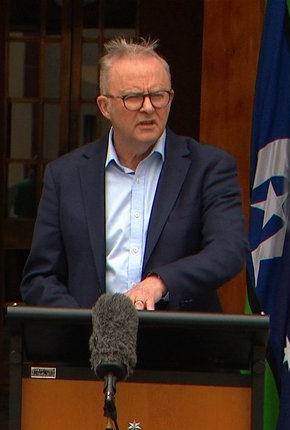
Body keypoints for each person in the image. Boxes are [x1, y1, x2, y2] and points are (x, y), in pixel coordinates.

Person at [20, 37, 247, 312]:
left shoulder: (208, 167)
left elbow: (228, 251)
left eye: (158, 96)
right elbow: (40, 278)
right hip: (89, 337)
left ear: (171, 98)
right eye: (134, 98)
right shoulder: (65, 176)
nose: (148, 108)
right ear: (105, 106)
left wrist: (159, 283)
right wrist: (85, 324)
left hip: (179, 335)